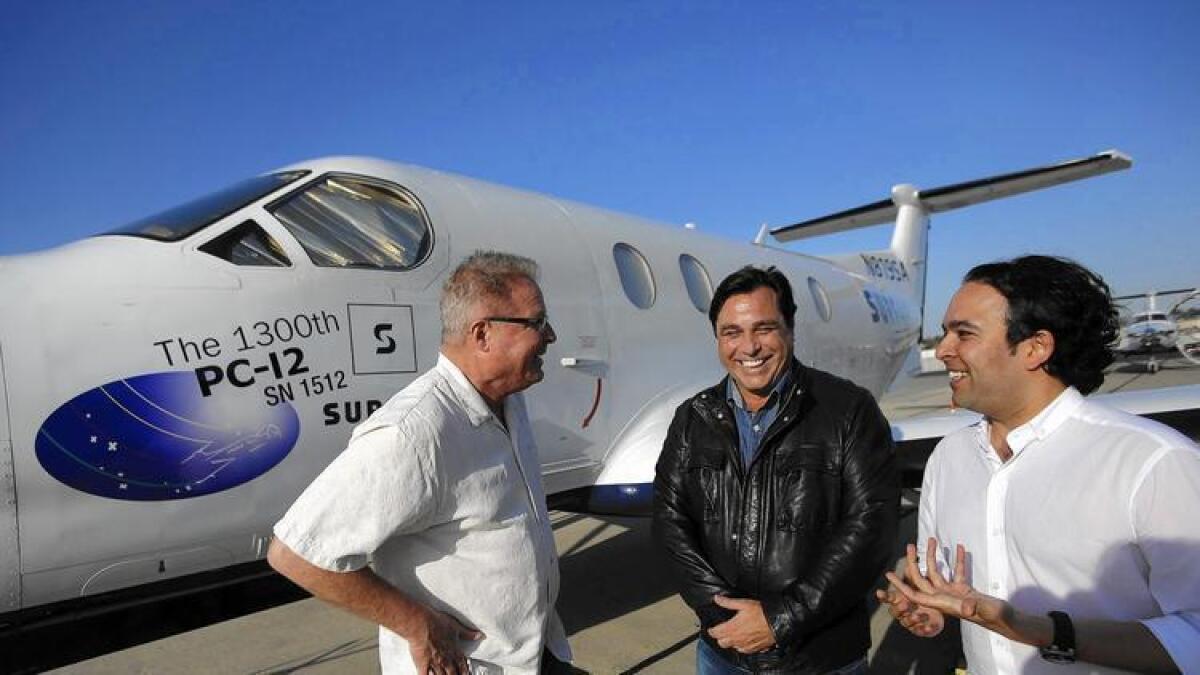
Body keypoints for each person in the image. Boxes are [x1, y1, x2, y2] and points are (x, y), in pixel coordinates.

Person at [879, 255, 1200, 673]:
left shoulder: (1154, 461)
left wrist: (1043, 632)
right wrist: (934, 609)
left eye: (964, 333)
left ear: (1035, 347)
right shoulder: (949, 458)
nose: (942, 350)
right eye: (944, 333)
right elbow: (951, 590)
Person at [268, 251, 571, 675]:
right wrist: (417, 625)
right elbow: (297, 554)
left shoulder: (510, 403)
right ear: (482, 334)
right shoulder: (413, 434)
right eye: (537, 323)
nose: (551, 335)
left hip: (536, 654)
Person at [653, 265, 898, 674]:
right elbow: (669, 521)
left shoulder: (849, 411)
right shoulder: (692, 417)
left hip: (819, 659)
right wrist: (727, 618)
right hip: (723, 653)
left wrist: (780, 620)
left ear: (790, 329)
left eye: (763, 328)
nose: (748, 347)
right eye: (731, 333)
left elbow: (871, 528)